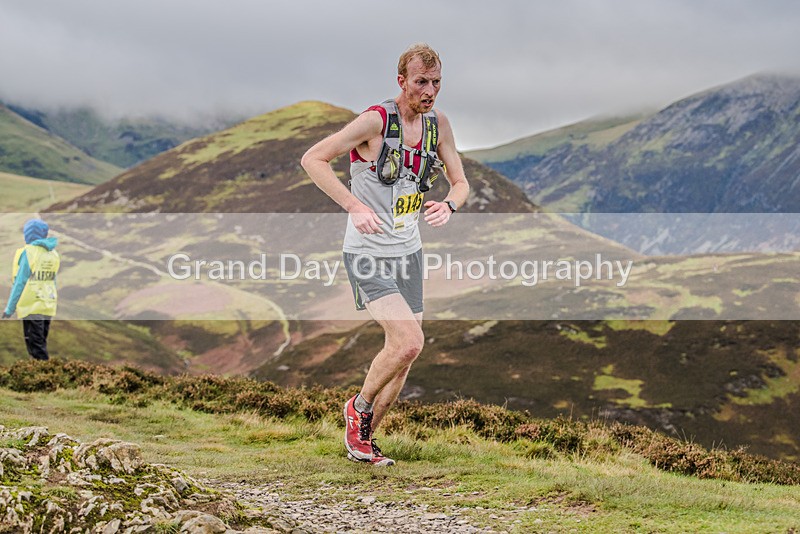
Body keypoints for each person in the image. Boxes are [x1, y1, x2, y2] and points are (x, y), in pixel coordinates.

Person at [301, 43, 469, 466]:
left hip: (408, 253)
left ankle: (364, 442)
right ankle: (357, 409)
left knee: (405, 358)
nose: (429, 91)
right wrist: (353, 206)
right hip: (367, 252)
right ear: (402, 81)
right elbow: (313, 158)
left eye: (436, 83)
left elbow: (461, 181)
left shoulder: (439, 125)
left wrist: (448, 204)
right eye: (421, 82)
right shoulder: (375, 121)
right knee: (410, 342)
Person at [2, 218, 61, 361]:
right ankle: (45, 376)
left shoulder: (28, 253)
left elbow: (19, 283)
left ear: (27, 234)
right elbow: (52, 281)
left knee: (36, 348)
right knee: (40, 343)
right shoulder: (53, 254)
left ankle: (45, 378)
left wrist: (9, 309)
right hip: (48, 305)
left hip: (31, 306)